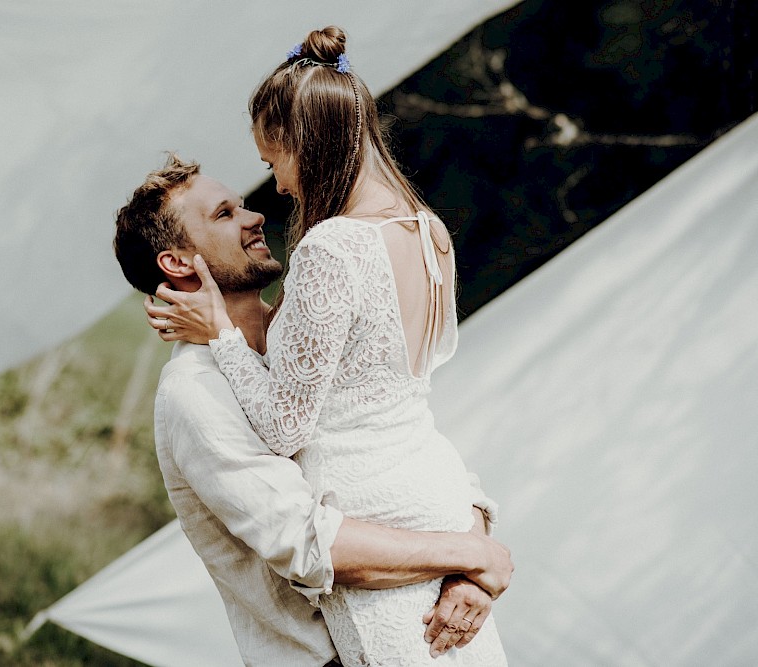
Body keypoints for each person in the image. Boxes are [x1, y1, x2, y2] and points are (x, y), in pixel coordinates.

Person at [145, 27, 509, 665]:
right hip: (434, 503)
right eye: (227, 213)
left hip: (379, 518)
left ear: (301, 145)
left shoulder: (332, 248)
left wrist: (224, 335)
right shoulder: (430, 234)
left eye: (271, 163)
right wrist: (473, 543)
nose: (277, 188)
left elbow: (287, 427)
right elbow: (401, 409)